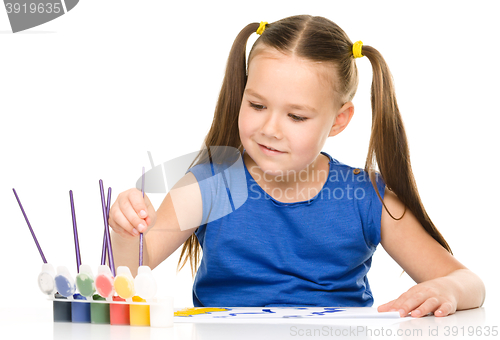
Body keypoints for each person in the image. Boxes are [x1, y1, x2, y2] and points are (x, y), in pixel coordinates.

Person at [108, 15, 485, 317]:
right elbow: (126, 272)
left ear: (338, 120)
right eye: (257, 106)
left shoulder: (363, 196)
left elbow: (469, 282)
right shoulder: (211, 184)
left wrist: (446, 288)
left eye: (297, 116)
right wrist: (126, 231)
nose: (270, 129)